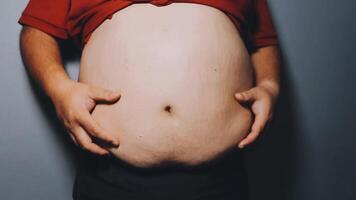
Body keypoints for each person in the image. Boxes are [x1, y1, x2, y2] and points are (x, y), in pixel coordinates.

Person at [18, 0, 281, 199]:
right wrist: (60, 90)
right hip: (110, 173)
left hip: (219, 176)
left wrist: (269, 86)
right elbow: (36, 31)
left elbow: (262, 41)